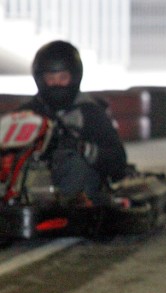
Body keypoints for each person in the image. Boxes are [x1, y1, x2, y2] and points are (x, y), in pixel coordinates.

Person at [18, 40, 128, 206]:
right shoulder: (28, 112)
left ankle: (71, 205)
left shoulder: (90, 112)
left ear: (74, 77)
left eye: (63, 78)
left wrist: (81, 148)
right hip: (33, 180)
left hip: (76, 186)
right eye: (50, 78)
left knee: (74, 162)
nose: (56, 84)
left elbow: (118, 162)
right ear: (41, 79)